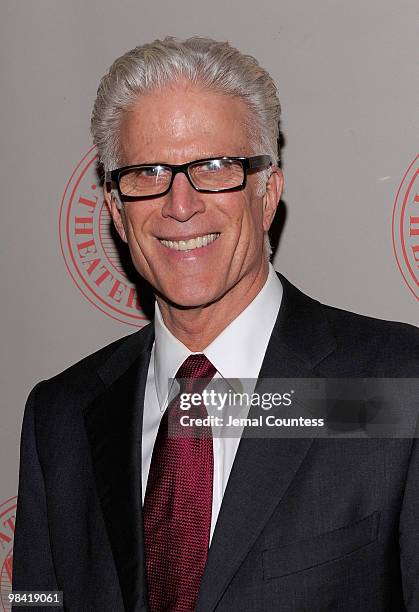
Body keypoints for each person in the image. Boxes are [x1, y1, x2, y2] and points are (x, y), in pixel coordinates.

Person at [12, 36, 419, 612]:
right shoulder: (62, 416)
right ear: (115, 211)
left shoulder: (397, 389)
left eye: (214, 167)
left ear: (267, 191)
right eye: (148, 171)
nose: (180, 204)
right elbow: (36, 598)